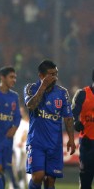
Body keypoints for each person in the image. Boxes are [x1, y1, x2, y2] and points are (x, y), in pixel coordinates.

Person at [23, 59, 76, 189]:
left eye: (56, 74)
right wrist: (43, 86)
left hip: (55, 143)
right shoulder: (31, 88)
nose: (55, 77)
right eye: (51, 74)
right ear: (41, 76)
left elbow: (68, 117)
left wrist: (71, 139)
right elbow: (31, 105)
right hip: (37, 142)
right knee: (38, 176)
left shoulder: (62, 93)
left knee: (50, 180)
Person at [71, 69, 94, 189]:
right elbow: (73, 112)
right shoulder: (83, 94)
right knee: (86, 179)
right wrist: (76, 122)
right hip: (88, 142)